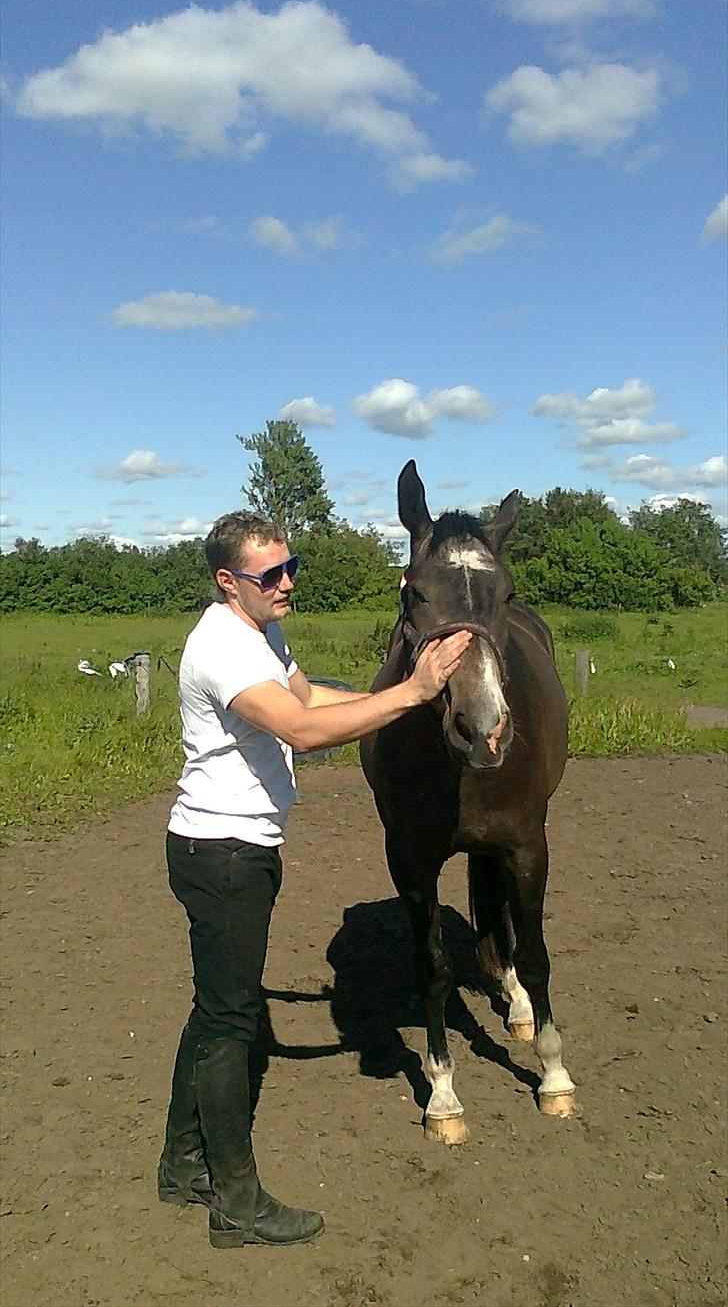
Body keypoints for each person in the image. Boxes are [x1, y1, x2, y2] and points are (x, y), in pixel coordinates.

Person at [158, 511, 471, 1250]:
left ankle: (181, 1166)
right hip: (222, 853)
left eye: (290, 565)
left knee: (216, 1013)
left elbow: (310, 701)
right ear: (227, 581)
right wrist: (412, 693)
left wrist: (395, 701)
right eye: (271, 574)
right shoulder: (221, 648)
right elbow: (300, 732)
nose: (288, 580)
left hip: (239, 848)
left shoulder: (262, 632)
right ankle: (236, 1205)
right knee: (232, 1024)